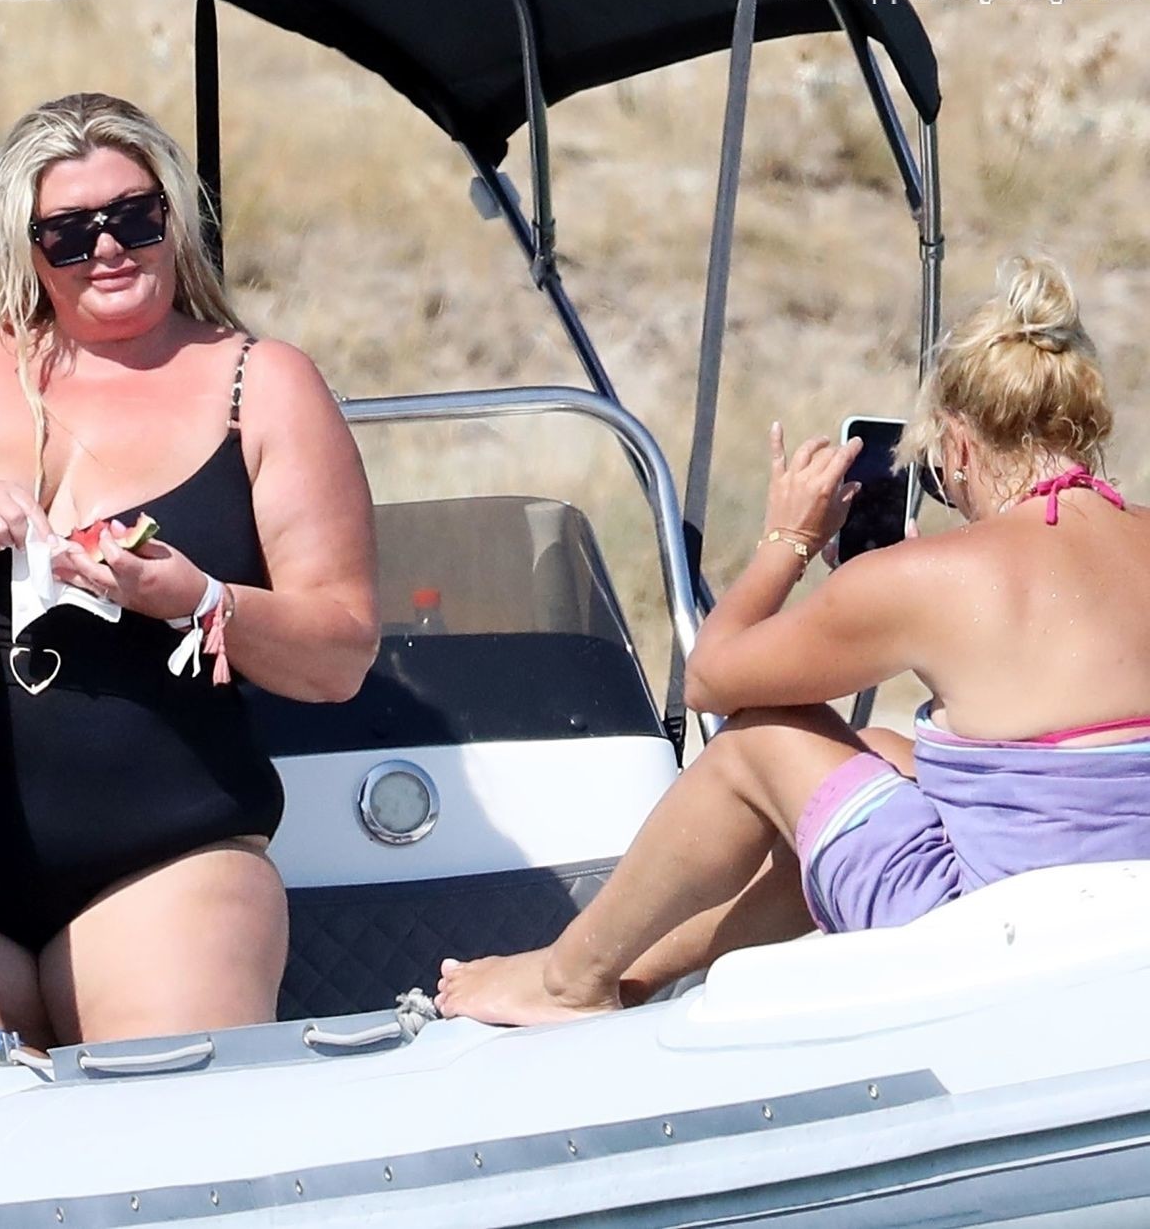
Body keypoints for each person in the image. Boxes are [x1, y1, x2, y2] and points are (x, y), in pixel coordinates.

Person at [437, 256, 1150, 1026]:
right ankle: (639, 977)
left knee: (765, 737)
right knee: (879, 752)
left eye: (940, 470)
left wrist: (789, 540)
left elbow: (711, 677)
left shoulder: (930, 577)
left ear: (960, 443)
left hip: (991, 940)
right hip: (1118, 923)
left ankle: (570, 979)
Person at [0, 92, 379, 1047]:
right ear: (25, 247)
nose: (110, 248)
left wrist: (199, 598)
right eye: (71, 232)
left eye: (135, 216)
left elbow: (341, 653)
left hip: (168, 860)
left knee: (162, 1122)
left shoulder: (261, 383)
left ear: (175, 217)